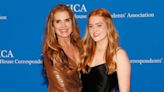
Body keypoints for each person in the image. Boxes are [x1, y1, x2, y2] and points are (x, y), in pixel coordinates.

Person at [81, 8, 131, 92]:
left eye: (99, 25)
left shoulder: (119, 55)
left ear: (108, 26)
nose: (94, 30)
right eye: (91, 26)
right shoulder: (85, 52)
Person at [42, 4, 83, 92]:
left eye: (67, 20)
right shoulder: (51, 54)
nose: (63, 25)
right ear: (52, 26)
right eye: (58, 21)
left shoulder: (81, 46)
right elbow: (62, 88)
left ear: (72, 22)